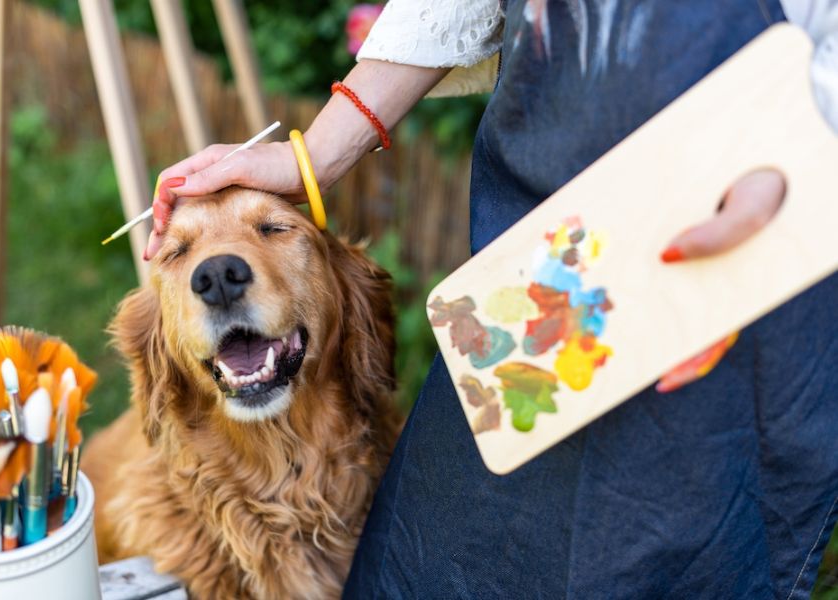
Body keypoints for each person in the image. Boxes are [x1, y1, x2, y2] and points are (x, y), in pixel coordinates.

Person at [146, 0, 838, 596]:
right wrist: (316, 153)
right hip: (542, 240)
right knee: (436, 557)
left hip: (756, 219)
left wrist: (805, 150)